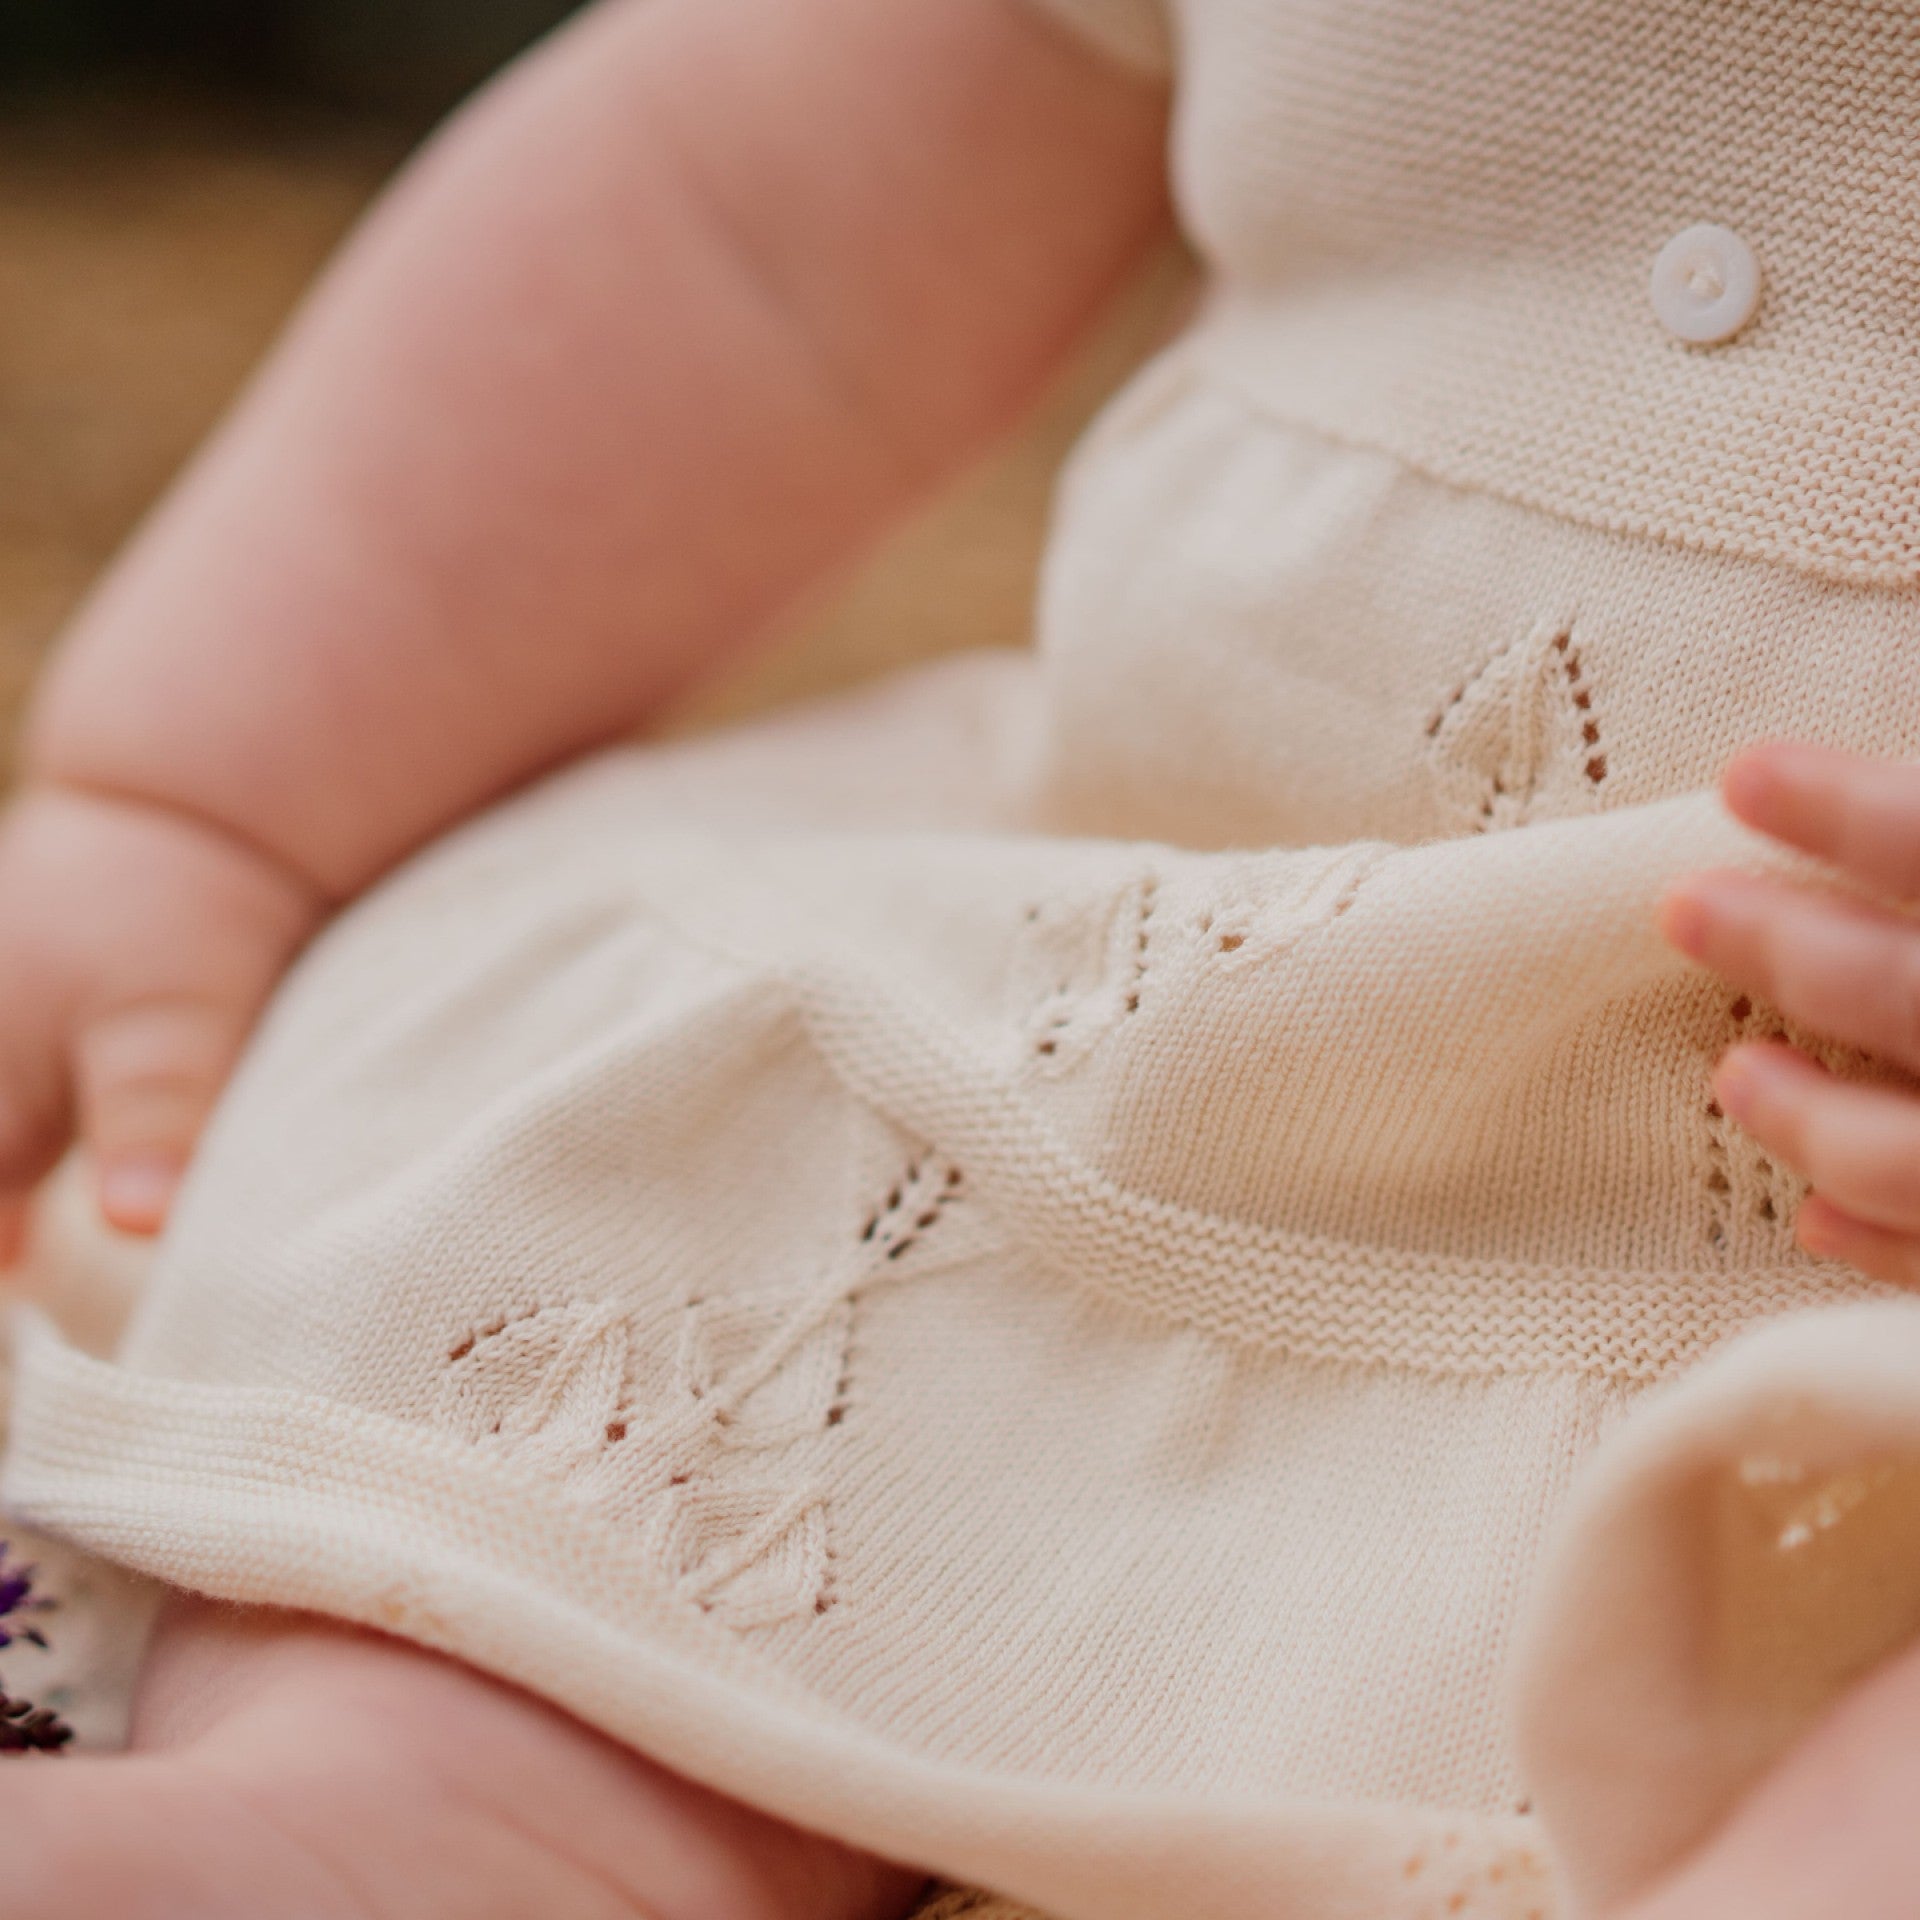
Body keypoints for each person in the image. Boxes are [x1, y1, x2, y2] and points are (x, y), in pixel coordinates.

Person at [0, 0, 1915, 1914]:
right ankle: (403, 1833)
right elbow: (752, 237)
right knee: (613, 1446)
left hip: (1846, 1315)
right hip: (1152, 1029)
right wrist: (195, 797)